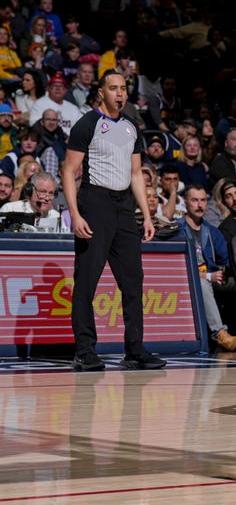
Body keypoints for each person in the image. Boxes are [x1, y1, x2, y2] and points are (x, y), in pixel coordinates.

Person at [61, 69, 166, 371]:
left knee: (133, 280)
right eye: (113, 88)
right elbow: (69, 171)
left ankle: (135, 349)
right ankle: (84, 350)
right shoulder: (87, 124)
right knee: (87, 280)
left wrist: (147, 215)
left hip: (124, 208)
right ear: (101, 92)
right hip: (95, 202)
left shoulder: (132, 126)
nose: (120, 93)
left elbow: (136, 174)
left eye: (123, 88)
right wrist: (75, 214)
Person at [177, 184, 236, 352]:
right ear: (185, 203)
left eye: (203, 200)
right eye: (194, 200)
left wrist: (224, 271)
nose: (199, 205)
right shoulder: (177, 230)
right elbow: (177, 267)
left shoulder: (212, 231)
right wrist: (208, 276)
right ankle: (220, 334)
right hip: (185, 280)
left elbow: (226, 259)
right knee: (203, 284)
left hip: (212, 278)